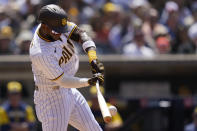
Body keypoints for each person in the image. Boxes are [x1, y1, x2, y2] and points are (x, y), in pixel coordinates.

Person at [29, 4, 104, 131]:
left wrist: (93, 58)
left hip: (68, 91)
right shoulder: (40, 52)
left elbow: (81, 34)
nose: (61, 33)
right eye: (57, 30)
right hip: (51, 98)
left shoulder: (55, 25)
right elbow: (63, 81)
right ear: (44, 26)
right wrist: (89, 82)